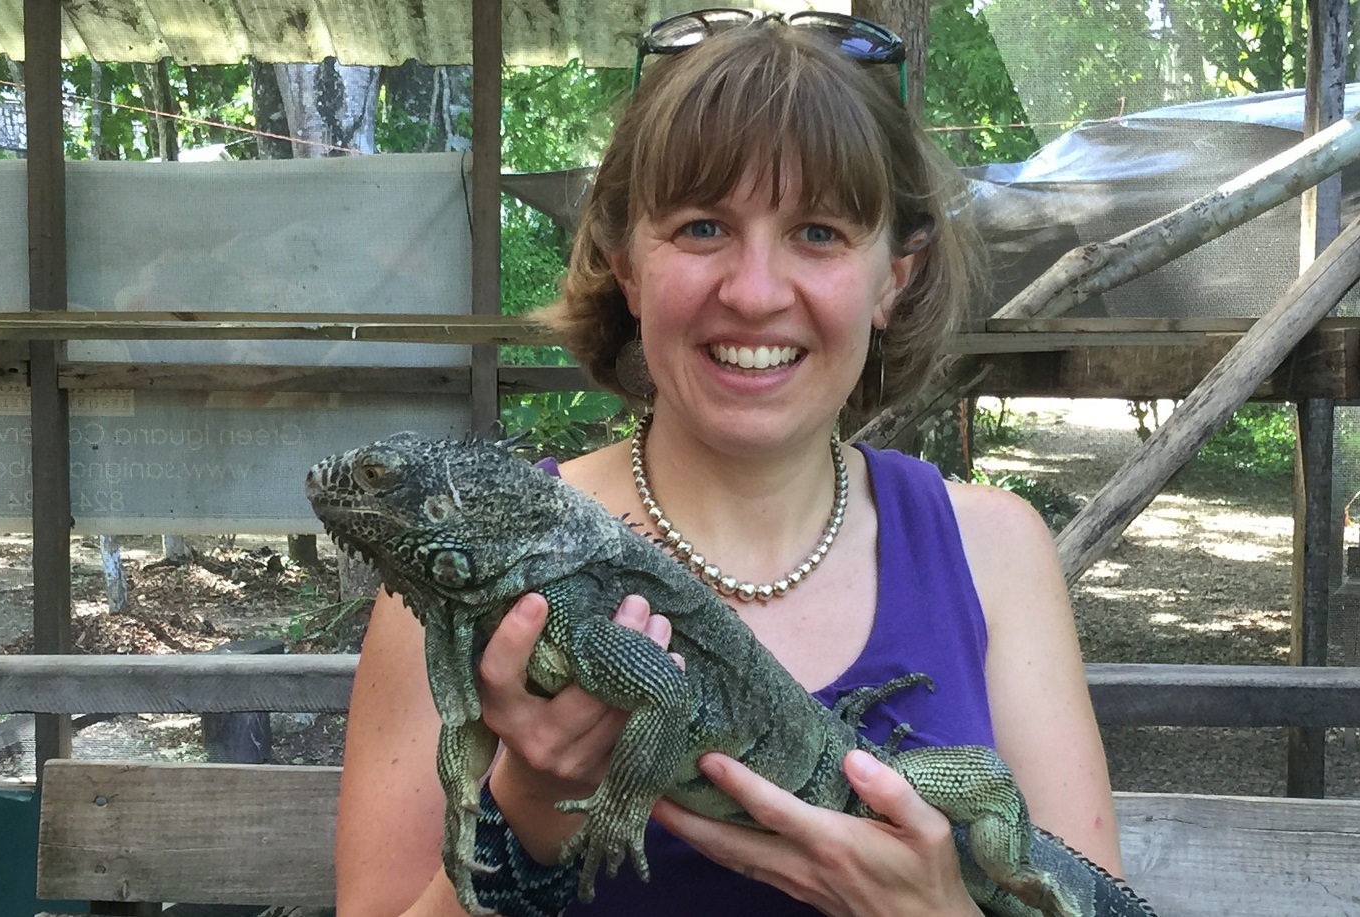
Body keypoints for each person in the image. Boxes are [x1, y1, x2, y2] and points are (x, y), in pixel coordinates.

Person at [335, 9, 1120, 917]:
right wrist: (530, 806)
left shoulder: (995, 552)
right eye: (703, 227)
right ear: (625, 264)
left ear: (893, 281)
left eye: (818, 232)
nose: (753, 292)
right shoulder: (467, 578)